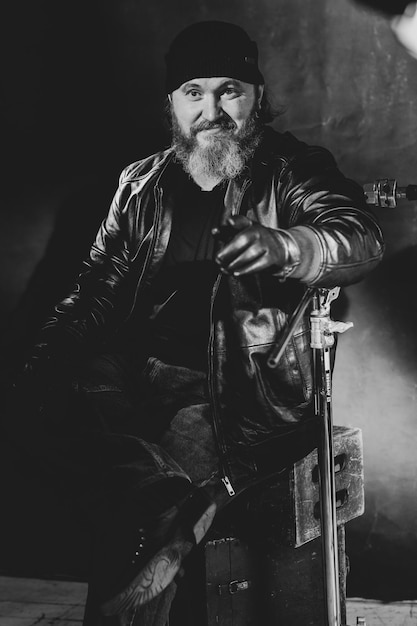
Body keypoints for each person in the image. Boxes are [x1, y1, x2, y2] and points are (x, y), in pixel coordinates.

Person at [5, 20, 384, 626]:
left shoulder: (293, 168)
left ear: (257, 97)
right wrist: (43, 366)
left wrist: (289, 246)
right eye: (194, 92)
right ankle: (160, 495)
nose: (213, 109)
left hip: (234, 391)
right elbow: (95, 294)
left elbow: (357, 236)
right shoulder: (141, 185)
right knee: (33, 403)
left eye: (230, 89)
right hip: (133, 374)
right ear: (173, 105)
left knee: (145, 509)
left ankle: (154, 506)